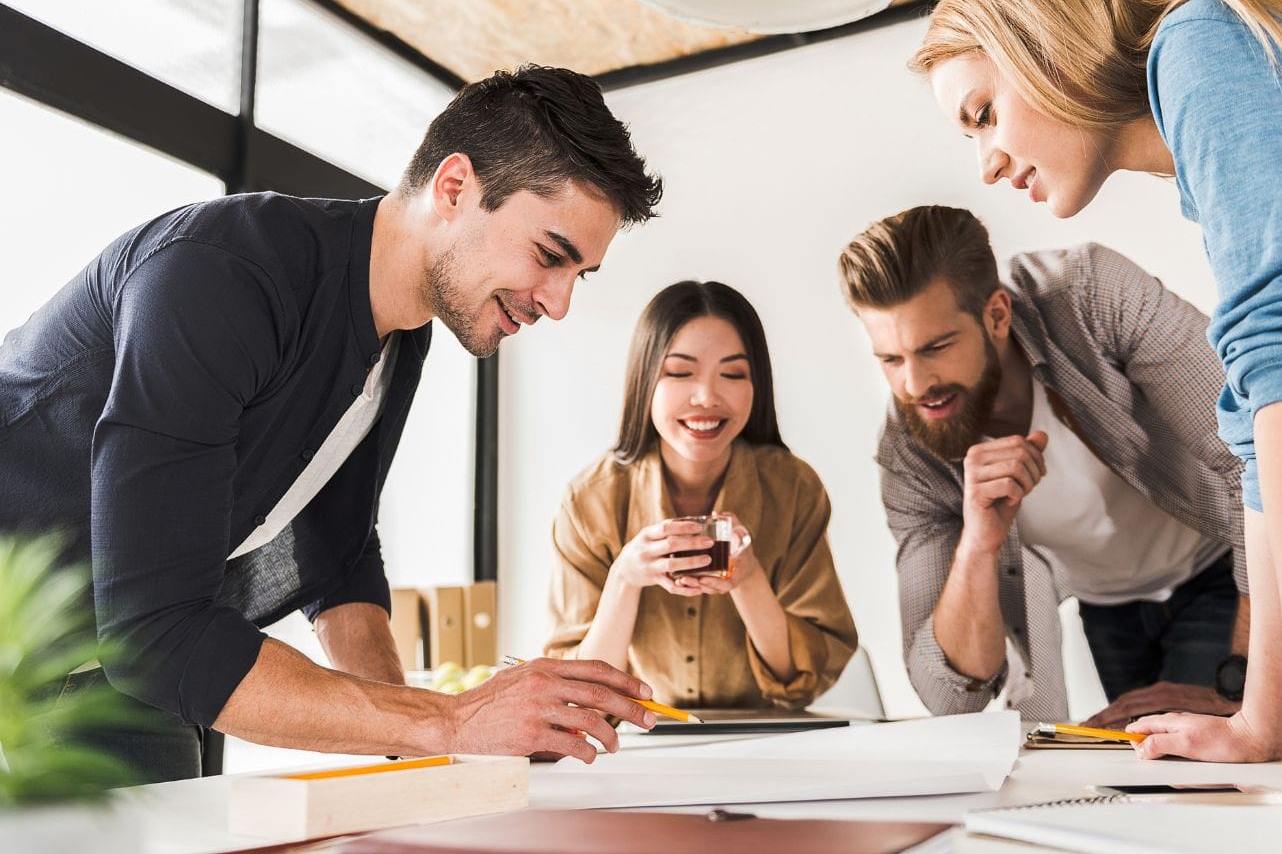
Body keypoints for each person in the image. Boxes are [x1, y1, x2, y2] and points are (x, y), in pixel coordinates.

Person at [0, 65, 665, 783]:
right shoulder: (220, 273)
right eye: (549, 257)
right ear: (454, 189)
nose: (559, 303)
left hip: (104, 669)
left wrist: (434, 751)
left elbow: (338, 558)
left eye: (579, 275)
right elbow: (155, 629)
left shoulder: (401, 339)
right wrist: (450, 719)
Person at [911, 0, 1282, 761]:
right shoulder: (1200, 121)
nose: (987, 163)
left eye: (983, 114)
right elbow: (1260, 422)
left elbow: (1275, 379)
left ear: (1043, 42)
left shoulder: (1198, 46)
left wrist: (1259, 718)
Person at [838, 206, 1246, 726]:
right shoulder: (910, 451)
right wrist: (979, 543)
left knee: (1200, 767)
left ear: (997, 315)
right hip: (1107, 606)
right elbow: (950, 695)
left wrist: (1241, 678)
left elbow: (1253, 457)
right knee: (1152, 770)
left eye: (935, 347)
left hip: (1222, 568)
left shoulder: (1089, 293)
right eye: (890, 360)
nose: (915, 385)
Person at [545, 281, 857, 708]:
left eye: (732, 374)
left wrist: (748, 580)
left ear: (757, 385)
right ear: (645, 379)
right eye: (679, 372)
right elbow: (581, 697)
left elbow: (802, 678)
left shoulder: (794, 488)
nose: (707, 397)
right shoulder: (589, 501)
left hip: (767, 744)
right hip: (636, 750)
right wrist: (625, 578)